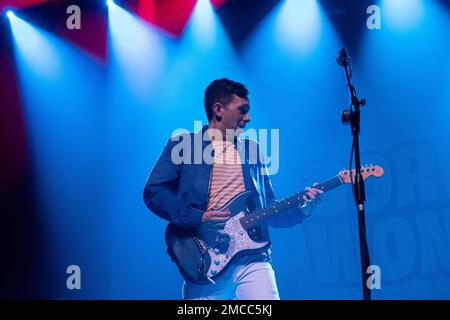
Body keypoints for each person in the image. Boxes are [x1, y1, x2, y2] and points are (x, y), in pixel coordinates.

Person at [143, 78, 323, 300]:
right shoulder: (183, 145)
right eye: (242, 110)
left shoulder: (252, 150)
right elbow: (154, 191)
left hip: (253, 258)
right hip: (205, 260)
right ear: (218, 109)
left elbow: (269, 209)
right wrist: (199, 217)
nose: (248, 118)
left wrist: (301, 210)